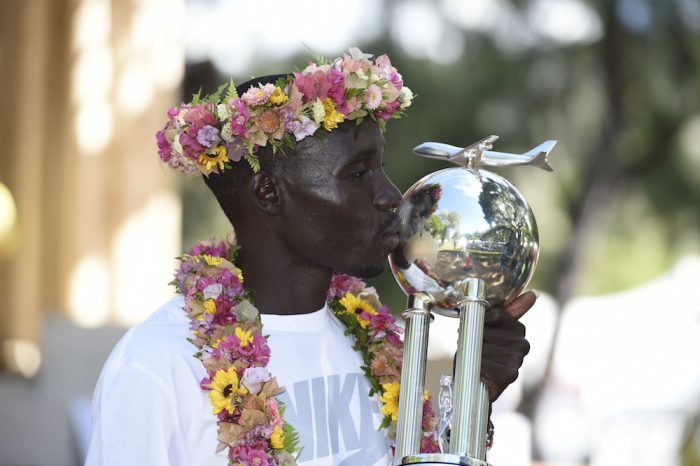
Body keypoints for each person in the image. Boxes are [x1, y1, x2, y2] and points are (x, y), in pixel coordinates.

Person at [86, 48, 533, 466]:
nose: (390, 196)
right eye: (357, 174)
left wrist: (478, 391)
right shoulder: (156, 366)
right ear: (269, 193)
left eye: (380, 168)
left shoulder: (377, 342)